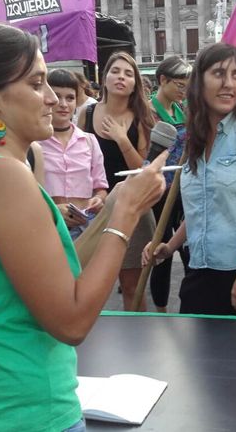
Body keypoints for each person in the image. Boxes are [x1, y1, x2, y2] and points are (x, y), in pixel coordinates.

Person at [0, 20, 165, 430]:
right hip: (17, 413)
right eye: (36, 84)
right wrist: (126, 218)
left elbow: (59, 275)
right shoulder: (4, 178)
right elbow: (71, 320)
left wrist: (109, 209)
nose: (53, 99)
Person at [143, 42, 236, 317]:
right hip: (199, 276)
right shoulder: (192, 139)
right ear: (199, 81)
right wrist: (170, 246)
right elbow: (206, 206)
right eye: (219, 74)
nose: (229, 84)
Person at [79, 52, 155, 311]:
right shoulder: (86, 114)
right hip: (94, 209)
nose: (121, 77)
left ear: (135, 83)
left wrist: (123, 140)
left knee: (132, 287)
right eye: (115, 71)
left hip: (132, 209)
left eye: (128, 73)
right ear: (105, 77)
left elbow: (144, 170)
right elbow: (80, 163)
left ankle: (139, 345)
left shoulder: (143, 116)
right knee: (86, 286)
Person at [40, 69, 108, 240]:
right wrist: (53, 210)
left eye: (70, 98)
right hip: (48, 229)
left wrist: (98, 200)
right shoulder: (33, 144)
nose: (63, 104)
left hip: (85, 229)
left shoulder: (89, 141)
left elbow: (101, 188)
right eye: (57, 97)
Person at [148, 56, 191, 312]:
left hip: (183, 187)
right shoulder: (147, 110)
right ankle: (161, 311)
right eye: (179, 84)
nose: (183, 91)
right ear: (163, 80)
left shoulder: (180, 108)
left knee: (187, 248)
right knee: (160, 253)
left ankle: (190, 307)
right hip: (159, 192)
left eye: (186, 86)